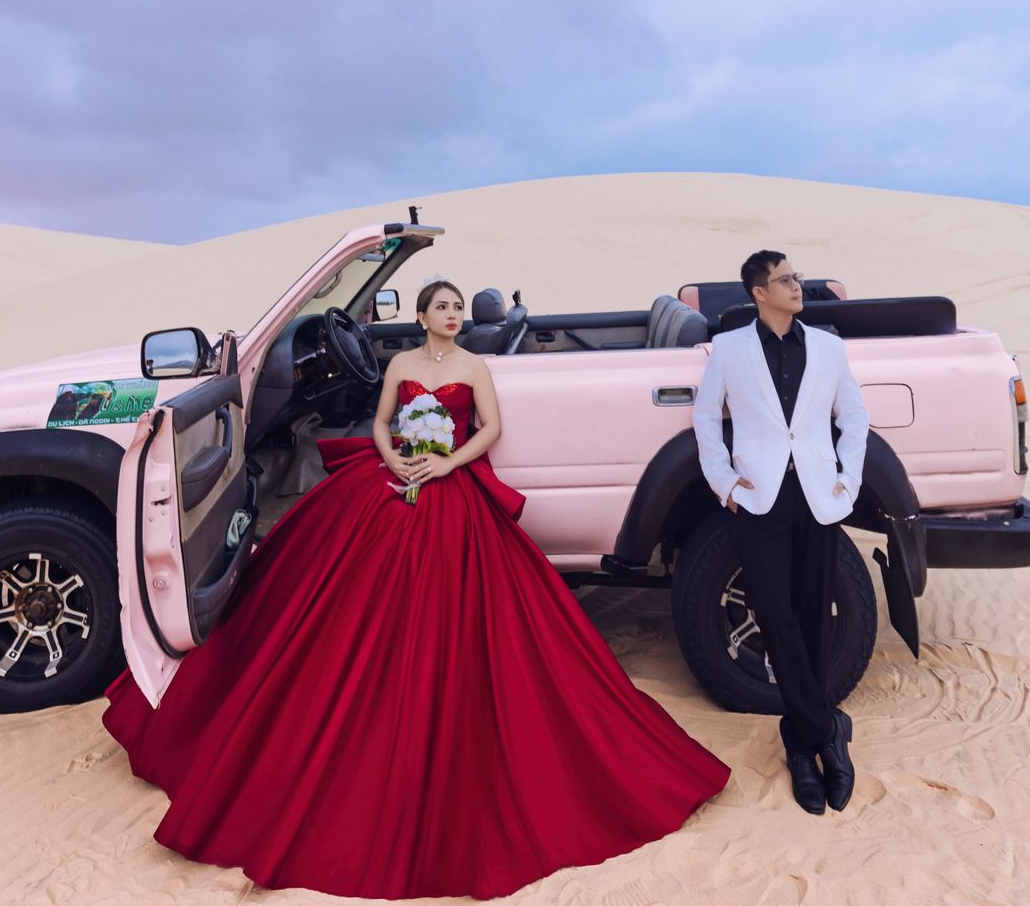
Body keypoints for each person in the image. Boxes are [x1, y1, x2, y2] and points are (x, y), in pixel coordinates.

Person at [102, 276, 730, 900]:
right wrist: (396, 458)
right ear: (423, 317)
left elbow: (489, 429)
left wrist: (446, 462)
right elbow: (381, 423)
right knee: (331, 552)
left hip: (449, 481)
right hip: (397, 472)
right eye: (442, 308)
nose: (453, 316)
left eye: (458, 308)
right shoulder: (401, 363)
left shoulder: (474, 367)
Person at [690, 250, 869, 815]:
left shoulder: (829, 347)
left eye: (797, 277)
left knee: (814, 613)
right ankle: (826, 729)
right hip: (760, 497)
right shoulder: (729, 349)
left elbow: (854, 417)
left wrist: (848, 480)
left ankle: (801, 743)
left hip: (818, 496)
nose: (798, 286)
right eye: (786, 280)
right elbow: (705, 417)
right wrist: (725, 483)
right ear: (759, 293)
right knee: (774, 611)